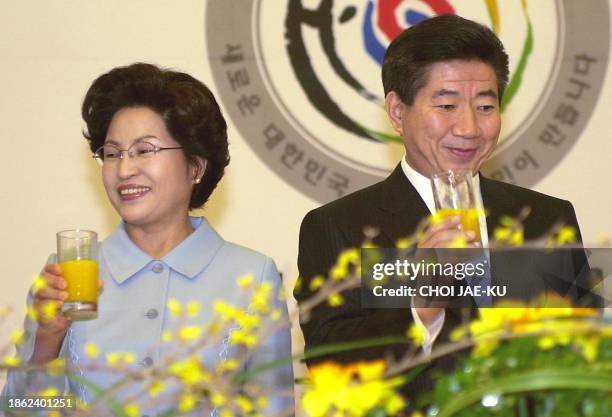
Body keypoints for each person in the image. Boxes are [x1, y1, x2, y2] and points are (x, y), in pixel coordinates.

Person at [295, 15, 591, 396]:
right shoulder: (339, 227)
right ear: (398, 112)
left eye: (485, 107)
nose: (468, 127)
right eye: (447, 105)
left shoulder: (547, 218)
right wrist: (421, 301)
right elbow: (330, 368)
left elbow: (586, 356)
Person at [3, 63, 293, 416]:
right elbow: (18, 411)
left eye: (144, 150)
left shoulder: (252, 276)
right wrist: (46, 343)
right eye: (112, 154)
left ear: (195, 167)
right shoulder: (68, 273)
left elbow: (274, 409)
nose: (124, 170)